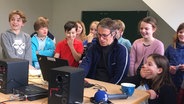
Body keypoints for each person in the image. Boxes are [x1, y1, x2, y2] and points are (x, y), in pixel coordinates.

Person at [79, 18, 129, 84]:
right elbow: (85, 64)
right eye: (99, 35)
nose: (101, 39)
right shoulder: (93, 48)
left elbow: (120, 75)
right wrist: (79, 77)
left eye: (104, 35)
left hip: (111, 86)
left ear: (113, 34)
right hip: (92, 84)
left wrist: (109, 88)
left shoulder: (121, 50)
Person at [165, 23, 184, 104]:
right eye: (180, 32)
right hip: (171, 81)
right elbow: (164, 62)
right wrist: (169, 67)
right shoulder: (171, 47)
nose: (182, 34)